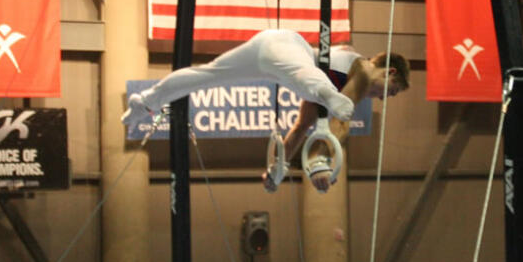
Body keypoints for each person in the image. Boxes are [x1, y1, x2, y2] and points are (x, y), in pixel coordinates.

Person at [123, 28, 410, 193]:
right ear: (389, 71)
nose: (381, 97)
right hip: (288, 52)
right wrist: (320, 161)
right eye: (389, 90)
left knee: (206, 75)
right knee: (325, 94)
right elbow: (340, 124)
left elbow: (300, 130)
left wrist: (278, 169)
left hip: (270, 51)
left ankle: (146, 102)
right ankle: (326, 95)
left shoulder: (339, 80)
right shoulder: (362, 67)